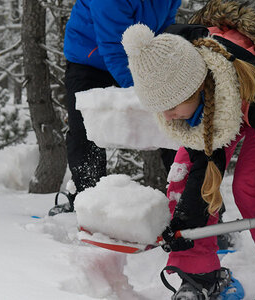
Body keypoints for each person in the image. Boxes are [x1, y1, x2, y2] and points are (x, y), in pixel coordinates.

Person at [121, 0, 255, 298]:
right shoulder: (175, 73)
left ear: (196, 88)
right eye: (159, 109)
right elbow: (204, 167)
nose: (165, 117)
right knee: (185, 177)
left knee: (252, 184)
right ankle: (198, 273)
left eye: (170, 107)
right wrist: (185, 223)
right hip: (220, 98)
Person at [48, 0, 181, 216]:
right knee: (85, 130)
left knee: (173, 120)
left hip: (135, 56)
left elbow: (164, 29)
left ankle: (189, 207)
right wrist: (144, 92)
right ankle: (85, 202)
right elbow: (114, 47)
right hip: (89, 58)